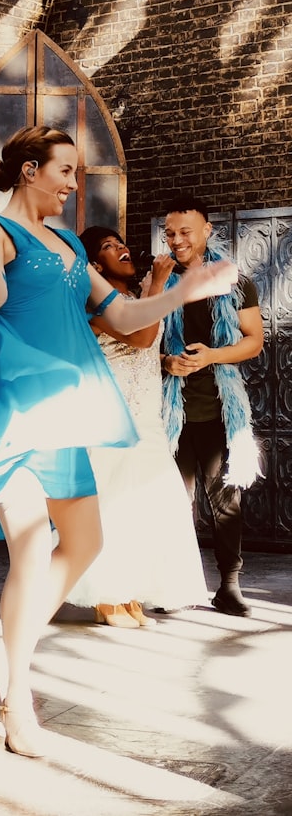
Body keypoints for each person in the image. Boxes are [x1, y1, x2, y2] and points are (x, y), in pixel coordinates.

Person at [0, 126, 238, 758]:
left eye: (75, 172)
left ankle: (10, 642)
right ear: (28, 172)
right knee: (34, 550)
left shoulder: (70, 245)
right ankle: (18, 699)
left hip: (63, 418)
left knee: (88, 542)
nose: (74, 184)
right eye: (65, 170)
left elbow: (122, 318)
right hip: (10, 416)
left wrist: (180, 292)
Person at [64, 227, 207, 627]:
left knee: (150, 503)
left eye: (121, 243)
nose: (123, 249)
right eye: (109, 247)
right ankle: (106, 599)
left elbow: (147, 351)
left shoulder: (131, 299)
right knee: (113, 504)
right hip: (110, 417)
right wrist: (159, 283)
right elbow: (141, 336)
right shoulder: (96, 304)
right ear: (93, 266)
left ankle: (129, 593)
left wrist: (167, 363)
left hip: (147, 415)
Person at [160, 196, 264, 617]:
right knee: (172, 502)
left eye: (186, 231)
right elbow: (140, 338)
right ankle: (172, 585)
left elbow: (253, 341)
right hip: (169, 409)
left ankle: (229, 586)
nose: (177, 240)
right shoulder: (159, 278)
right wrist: (167, 361)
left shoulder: (235, 281)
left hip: (220, 408)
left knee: (226, 503)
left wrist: (211, 356)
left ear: (206, 230)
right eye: (170, 233)